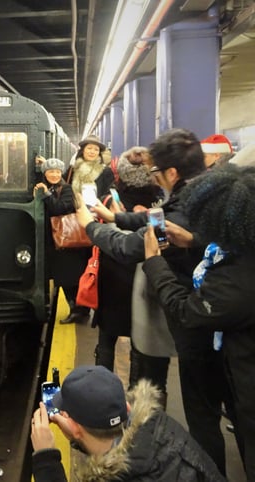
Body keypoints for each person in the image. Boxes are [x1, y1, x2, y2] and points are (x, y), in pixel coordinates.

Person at [75, 128, 232, 475]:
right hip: (202, 319)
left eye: (156, 173)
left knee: (200, 415)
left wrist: (92, 227)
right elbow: (159, 219)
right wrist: (116, 217)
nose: (154, 179)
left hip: (190, 320)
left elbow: (131, 247)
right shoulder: (201, 195)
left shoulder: (186, 207)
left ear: (172, 173)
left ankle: (206, 472)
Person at [143, 164, 255, 480]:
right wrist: (193, 240)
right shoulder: (243, 247)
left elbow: (187, 311)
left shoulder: (235, 282)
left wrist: (154, 263)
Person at [30, 365, 225, 481]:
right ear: (127, 407)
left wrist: (46, 461)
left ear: (75, 427)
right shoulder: (160, 428)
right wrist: (78, 437)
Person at [91, 147, 162, 371]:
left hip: (113, 272)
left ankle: (101, 386)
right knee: (139, 338)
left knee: (107, 337)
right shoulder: (160, 199)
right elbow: (162, 238)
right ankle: (135, 390)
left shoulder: (111, 196)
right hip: (146, 272)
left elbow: (102, 230)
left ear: (121, 171)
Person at [59, 135, 110, 325]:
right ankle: (75, 307)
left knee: (90, 267)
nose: (92, 152)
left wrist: (97, 209)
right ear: (82, 150)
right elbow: (63, 188)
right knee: (69, 268)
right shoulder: (72, 170)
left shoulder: (105, 172)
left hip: (94, 221)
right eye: (89, 148)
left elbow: (107, 195)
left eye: (95, 150)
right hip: (73, 223)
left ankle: (88, 307)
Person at [34, 158, 87, 322]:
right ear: (45, 173)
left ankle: (78, 311)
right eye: (50, 171)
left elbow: (60, 208)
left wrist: (47, 195)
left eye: (57, 171)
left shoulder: (66, 189)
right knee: (63, 278)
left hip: (67, 242)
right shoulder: (46, 187)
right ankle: (76, 310)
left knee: (70, 278)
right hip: (56, 240)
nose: (55, 174)